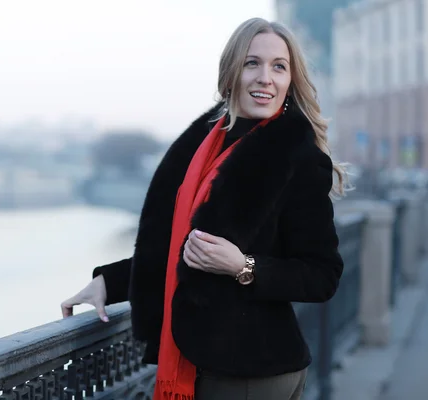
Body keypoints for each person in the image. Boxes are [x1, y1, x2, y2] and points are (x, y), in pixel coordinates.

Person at [61, 17, 348, 400]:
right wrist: (108, 283)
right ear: (231, 73)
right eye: (252, 63)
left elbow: (322, 275)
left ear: (290, 80)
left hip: (250, 373)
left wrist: (244, 267)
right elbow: (184, 249)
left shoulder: (297, 158)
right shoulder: (206, 146)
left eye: (279, 66)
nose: (266, 77)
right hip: (208, 364)